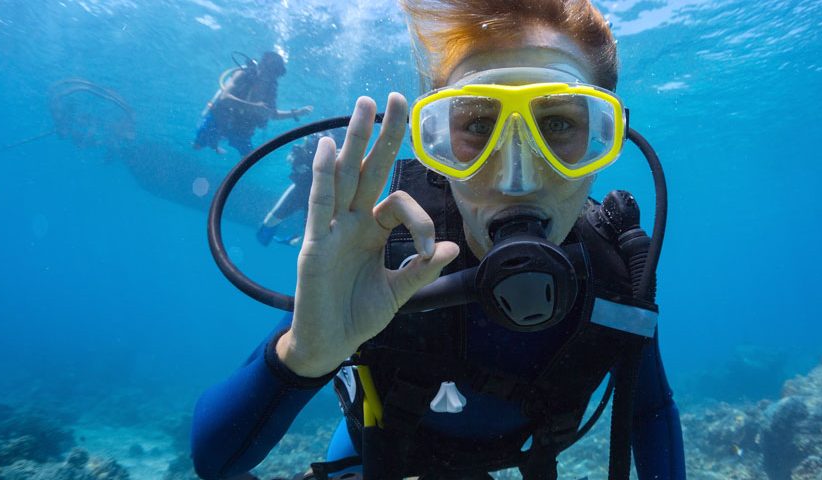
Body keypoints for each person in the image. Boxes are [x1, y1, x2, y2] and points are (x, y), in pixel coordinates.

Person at [191, 1, 686, 479]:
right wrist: (303, 355)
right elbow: (214, 461)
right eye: (476, 124)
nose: (518, 179)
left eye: (557, 123)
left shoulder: (618, 277)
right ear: (436, 145)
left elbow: (651, 412)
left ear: (605, 138)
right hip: (382, 452)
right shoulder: (381, 258)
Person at [194, 51, 314, 156]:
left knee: (250, 158)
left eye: (275, 74)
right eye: (269, 70)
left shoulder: (270, 90)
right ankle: (214, 144)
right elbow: (224, 98)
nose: (270, 76)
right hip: (220, 120)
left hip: (242, 129)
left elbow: (272, 114)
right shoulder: (243, 75)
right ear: (261, 64)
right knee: (197, 146)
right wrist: (254, 107)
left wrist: (297, 113)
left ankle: (217, 144)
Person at [256, 131, 344, 246]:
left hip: (322, 195)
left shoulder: (339, 142)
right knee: (268, 223)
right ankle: (270, 239)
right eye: (312, 137)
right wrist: (295, 163)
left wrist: (340, 157)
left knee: (311, 236)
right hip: (300, 189)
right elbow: (290, 157)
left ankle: (292, 241)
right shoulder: (306, 147)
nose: (315, 138)